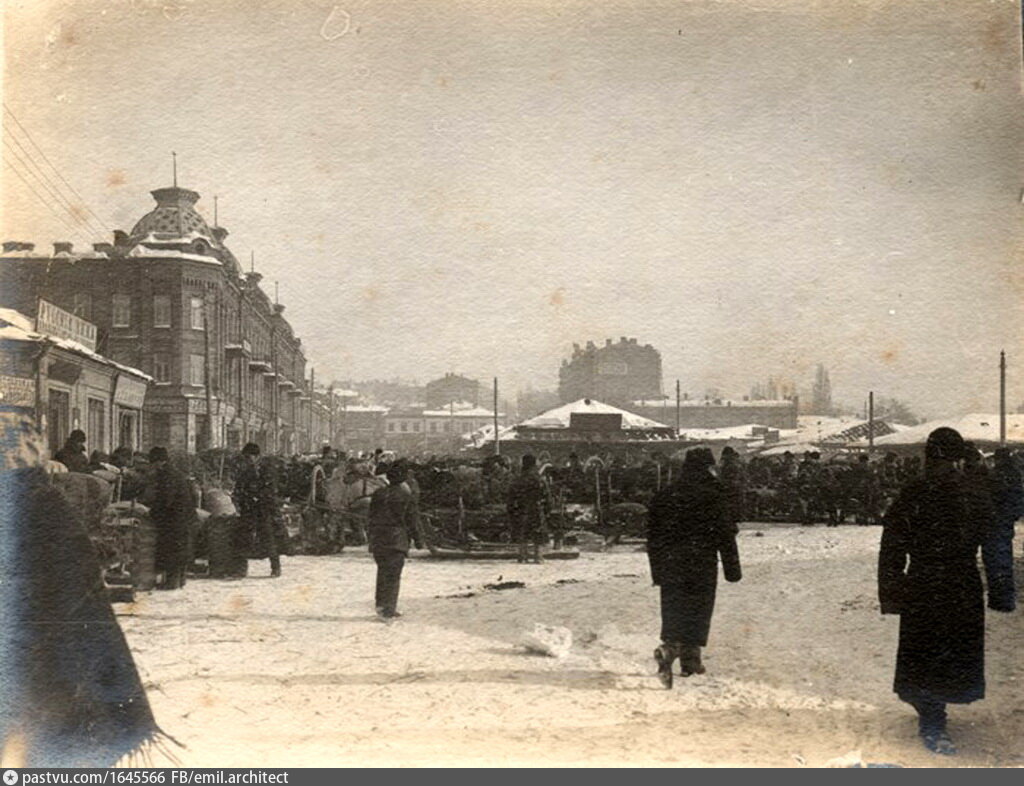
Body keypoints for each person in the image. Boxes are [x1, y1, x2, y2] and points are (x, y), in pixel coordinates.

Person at [878, 427, 1012, 755]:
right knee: (947, 651)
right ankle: (932, 715)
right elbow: (995, 545)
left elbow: (892, 546)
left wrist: (892, 591)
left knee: (927, 652)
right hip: (960, 583)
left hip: (924, 584)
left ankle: (931, 713)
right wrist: (1000, 589)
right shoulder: (973, 492)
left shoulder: (915, 492)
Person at [646, 447, 741, 688]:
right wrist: (732, 569)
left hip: (670, 563)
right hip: (701, 562)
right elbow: (725, 534)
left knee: (674, 607)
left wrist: (657, 570)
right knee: (699, 609)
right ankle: (686, 657)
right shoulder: (714, 495)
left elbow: (653, 537)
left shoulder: (665, 495)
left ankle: (673, 649)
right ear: (707, 467)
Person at [367, 461, 421, 619]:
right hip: (396, 538)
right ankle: (389, 609)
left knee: (382, 571)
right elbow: (412, 519)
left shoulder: (378, 493)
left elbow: (370, 517)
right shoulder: (406, 495)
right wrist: (418, 540)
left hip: (378, 537)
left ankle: (381, 605)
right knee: (393, 574)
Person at [140, 447, 195, 590]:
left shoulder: (166, 475)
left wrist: (152, 513)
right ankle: (179, 580)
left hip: (175, 517)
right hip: (182, 515)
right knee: (179, 548)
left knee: (172, 549)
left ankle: (171, 583)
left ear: (159, 462)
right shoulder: (173, 472)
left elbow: (166, 499)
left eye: (153, 463)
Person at [233, 442, 282, 577]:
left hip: (265, 510)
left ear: (257, 456)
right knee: (243, 537)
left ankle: (275, 567)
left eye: (250, 457)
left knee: (268, 537)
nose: (248, 460)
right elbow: (239, 488)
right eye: (246, 458)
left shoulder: (267, 470)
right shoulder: (246, 471)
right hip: (248, 509)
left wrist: (258, 497)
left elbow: (271, 490)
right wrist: (239, 499)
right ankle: (241, 569)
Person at [506, 453, 549, 563]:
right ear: (534, 465)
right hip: (536, 509)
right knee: (538, 534)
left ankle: (522, 556)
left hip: (521, 509)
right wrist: (546, 510)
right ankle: (538, 557)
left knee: (522, 533)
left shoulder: (516, 480)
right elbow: (547, 497)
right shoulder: (539, 480)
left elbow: (510, 498)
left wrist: (511, 511)